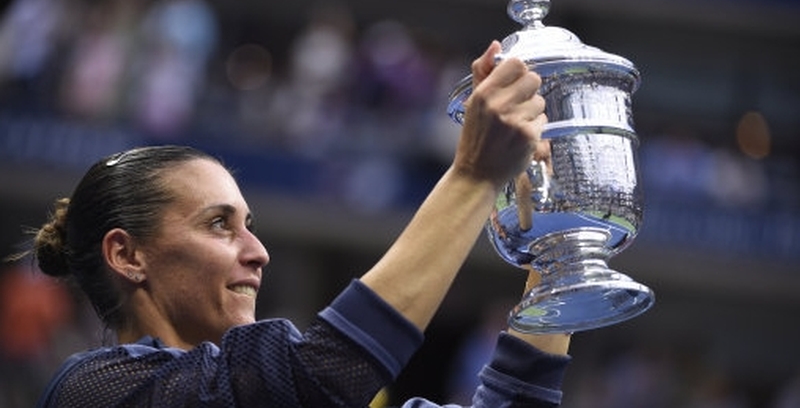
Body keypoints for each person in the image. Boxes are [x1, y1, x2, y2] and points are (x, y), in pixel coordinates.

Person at [24, 41, 571, 407]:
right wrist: (473, 176)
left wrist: (561, 249)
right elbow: (324, 375)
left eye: (249, 224)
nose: (258, 252)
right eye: (218, 224)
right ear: (127, 255)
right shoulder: (93, 390)